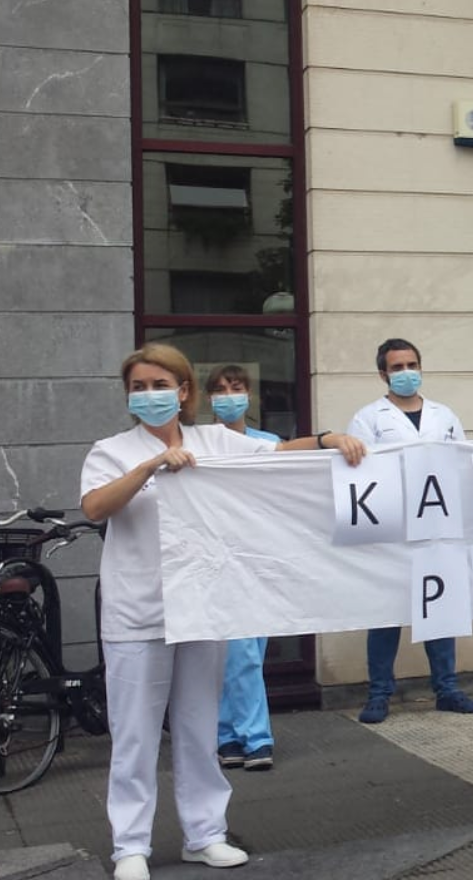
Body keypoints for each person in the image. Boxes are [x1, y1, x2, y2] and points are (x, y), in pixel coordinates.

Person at [81, 343, 366, 880]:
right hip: (137, 612)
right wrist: (150, 466)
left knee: (198, 727)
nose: (149, 395)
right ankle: (130, 846)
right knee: (136, 734)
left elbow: (278, 456)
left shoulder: (215, 440)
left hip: (204, 605)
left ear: (184, 391)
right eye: (138, 387)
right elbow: (95, 506)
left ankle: (205, 833)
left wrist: (329, 439)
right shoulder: (112, 450)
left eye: (160, 385)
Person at [347, 339, 473, 725]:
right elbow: (362, 474)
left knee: (441, 606)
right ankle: (378, 694)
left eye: (411, 364)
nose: (406, 372)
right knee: (386, 612)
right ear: (382, 374)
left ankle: (447, 688)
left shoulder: (445, 415)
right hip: (393, 527)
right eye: (397, 366)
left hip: (439, 526)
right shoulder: (367, 418)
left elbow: (461, 463)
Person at [203, 364, 279, 773]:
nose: (228, 395)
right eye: (219, 389)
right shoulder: (197, 445)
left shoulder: (268, 443)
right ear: (208, 399)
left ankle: (229, 734)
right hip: (214, 559)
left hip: (258, 559)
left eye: (235, 388)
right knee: (235, 652)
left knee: (250, 652)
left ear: (249, 394)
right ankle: (253, 738)